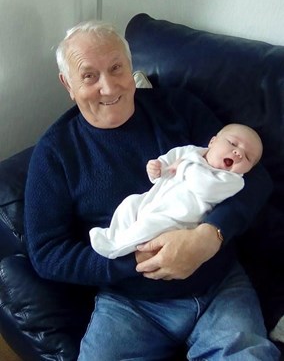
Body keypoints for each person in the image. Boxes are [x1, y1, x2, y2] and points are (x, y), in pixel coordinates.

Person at [24, 20, 280, 360]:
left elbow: (254, 176)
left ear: (131, 68)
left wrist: (210, 236)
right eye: (89, 76)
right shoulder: (55, 153)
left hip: (220, 283)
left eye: (117, 68)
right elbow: (47, 252)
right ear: (67, 84)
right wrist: (133, 263)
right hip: (131, 302)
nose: (108, 86)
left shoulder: (179, 108)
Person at [90, 123, 263, 259]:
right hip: (153, 200)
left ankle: (115, 247)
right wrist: (157, 168)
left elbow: (205, 188)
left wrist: (184, 165)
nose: (238, 152)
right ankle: (114, 233)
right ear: (213, 142)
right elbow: (168, 162)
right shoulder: (190, 151)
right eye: (233, 143)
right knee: (130, 203)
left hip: (178, 219)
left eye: (248, 157)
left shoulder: (232, 180)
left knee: (148, 225)